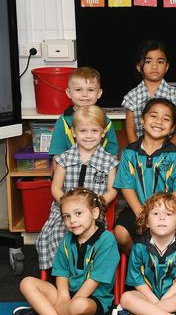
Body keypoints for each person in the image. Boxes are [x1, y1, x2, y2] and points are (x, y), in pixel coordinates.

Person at [13, 188, 119, 315]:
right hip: (66, 295)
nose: (72, 220)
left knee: (78, 305)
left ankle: (42, 314)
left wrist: (70, 302)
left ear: (95, 213)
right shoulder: (67, 240)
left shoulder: (107, 240)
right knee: (26, 282)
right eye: (67, 216)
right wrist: (63, 297)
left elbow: (95, 279)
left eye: (78, 214)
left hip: (92, 300)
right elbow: (61, 272)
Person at [36, 105, 119, 271]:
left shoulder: (109, 161)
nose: (89, 136)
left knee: (92, 233)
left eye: (94, 131)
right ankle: (61, 271)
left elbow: (113, 190)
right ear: (74, 132)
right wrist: (68, 206)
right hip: (65, 211)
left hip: (93, 213)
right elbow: (56, 188)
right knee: (57, 233)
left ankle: (85, 270)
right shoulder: (64, 159)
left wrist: (98, 202)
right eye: (83, 131)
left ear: (103, 133)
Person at [110, 193, 176, 315]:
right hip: (146, 295)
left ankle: (137, 314)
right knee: (126, 298)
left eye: (169, 214)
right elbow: (136, 279)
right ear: (147, 222)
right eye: (156, 213)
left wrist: (164, 299)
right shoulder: (139, 245)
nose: (162, 218)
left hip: (173, 295)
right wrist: (153, 300)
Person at [113, 98, 176, 254]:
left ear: (172, 128)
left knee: (162, 234)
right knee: (120, 234)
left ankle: (158, 262)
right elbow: (126, 186)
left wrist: (163, 211)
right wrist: (141, 213)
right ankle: (138, 259)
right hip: (137, 208)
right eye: (153, 116)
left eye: (166, 119)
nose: (159, 121)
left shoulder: (175, 154)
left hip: (167, 210)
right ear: (142, 121)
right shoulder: (129, 152)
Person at [122, 39, 176, 145]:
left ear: (166, 67)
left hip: (169, 155)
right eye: (148, 61)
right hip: (140, 154)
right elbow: (130, 132)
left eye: (160, 62)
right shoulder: (131, 97)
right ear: (139, 67)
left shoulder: (175, 95)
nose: (154, 66)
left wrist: (165, 151)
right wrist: (139, 152)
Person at [49, 67, 118, 156]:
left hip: (100, 167)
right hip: (69, 169)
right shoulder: (62, 121)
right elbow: (57, 154)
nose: (84, 95)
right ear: (69, 93)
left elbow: (112, 154)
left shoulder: (105, 121)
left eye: (90, 90)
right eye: (78, 90)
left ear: (99, 93)